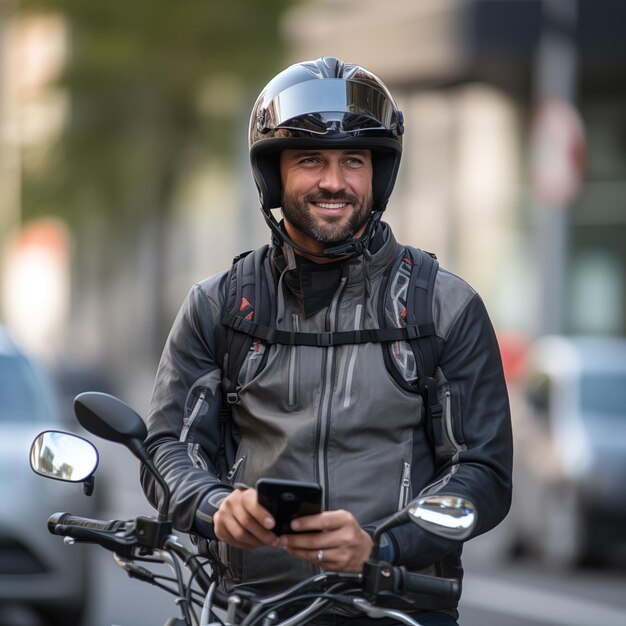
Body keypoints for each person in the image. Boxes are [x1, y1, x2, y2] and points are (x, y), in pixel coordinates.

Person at [141, 56, 513, 626]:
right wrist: (216, 509)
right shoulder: (217, 308)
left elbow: (483, 475)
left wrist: (382, 546)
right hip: (248, 609)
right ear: (274, 174)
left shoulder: (445, 308)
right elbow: (167, 448)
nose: (334, 181)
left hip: (398, 607)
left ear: (378, 174)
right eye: (311, 159)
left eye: (353, 161)